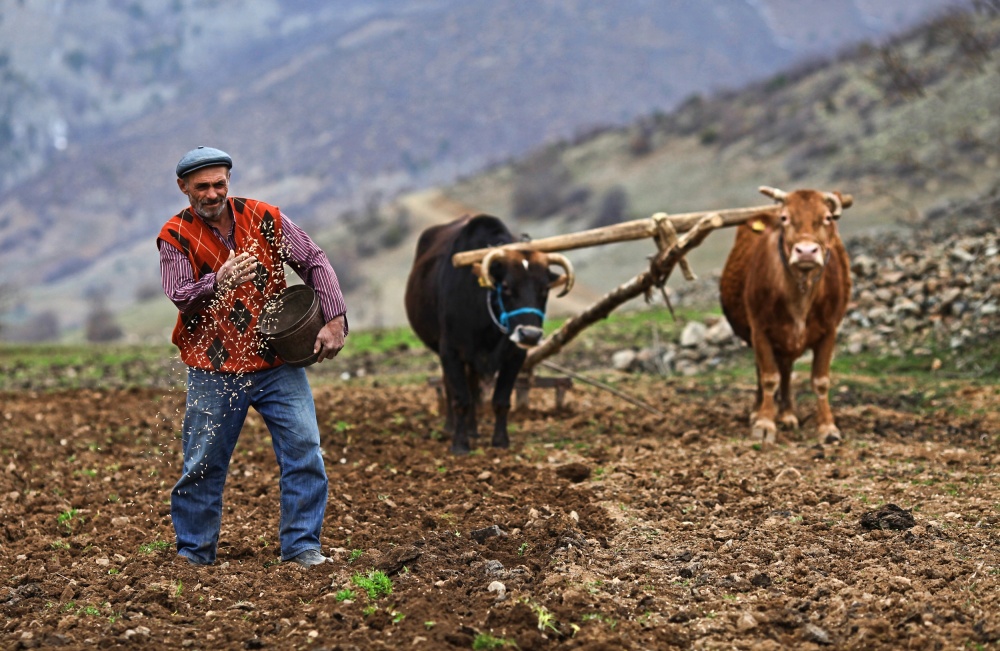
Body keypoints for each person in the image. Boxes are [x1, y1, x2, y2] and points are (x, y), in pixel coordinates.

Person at [158, 146, 348, 568]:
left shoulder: (265, 217)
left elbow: (313, 259)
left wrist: (334, 317)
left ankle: (302, 547)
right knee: (204, 463)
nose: (212, 194)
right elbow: (180, 295)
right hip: (214, 366)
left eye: (219, 184)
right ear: (183, 188)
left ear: (229, 181)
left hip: (275, 362)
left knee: (304, 451)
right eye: (202, 187)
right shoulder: (174, 235)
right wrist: (216, 281)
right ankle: (194, 554)